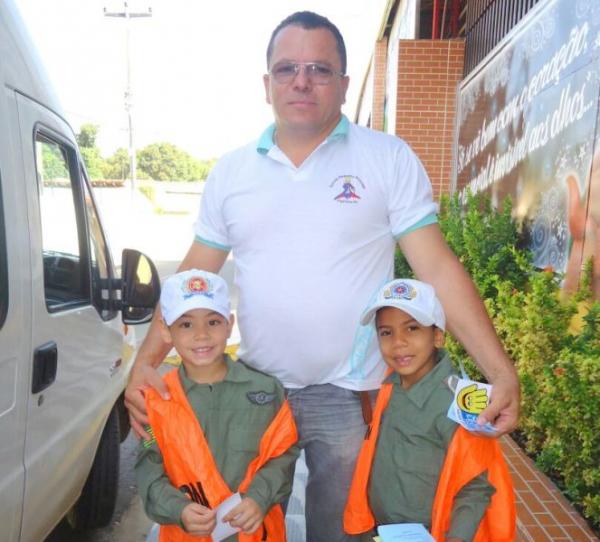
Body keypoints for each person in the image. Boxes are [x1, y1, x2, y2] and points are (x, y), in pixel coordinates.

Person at [126, 11, 520, 542]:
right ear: (267, 84)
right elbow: (190, 279)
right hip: (256, 393)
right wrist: (143, 365)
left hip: (348, 393)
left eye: (319, 68)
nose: (302, 81)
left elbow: (438, 268)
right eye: (286, 68)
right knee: (239, 528)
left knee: (343, 532)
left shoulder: (386, 158)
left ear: (344, 83)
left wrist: (499, 371)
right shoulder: (232, 173)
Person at [343, 278, 515, 541]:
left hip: (429, 533)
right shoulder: (389, 384)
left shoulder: (461, 402)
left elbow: (476, 486)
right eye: (386, 332)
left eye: (411, 328)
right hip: (380, 529)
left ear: (437, 336)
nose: (398, 342)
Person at [135, 269, 299, 541]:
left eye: (213, 322)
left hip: (256, 533)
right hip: (186, 534)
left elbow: (283, 453)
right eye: (186, 324)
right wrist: (179, 509)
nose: (201, 335)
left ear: (229, 324)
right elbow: (149, 469)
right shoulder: (155, 401)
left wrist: (258, 497)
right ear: (165, 330)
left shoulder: (265, 391)